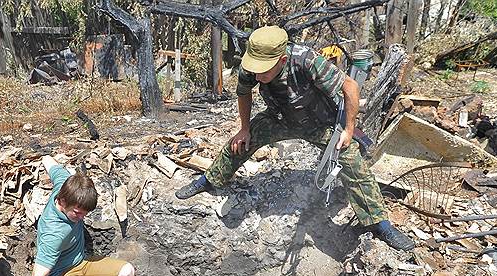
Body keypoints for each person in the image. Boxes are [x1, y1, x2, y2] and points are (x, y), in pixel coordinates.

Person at [174, 26, 414, 251]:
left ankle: (380, 224)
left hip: (321, 123)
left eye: (263, 71)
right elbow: (243, 93)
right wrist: (245, 128)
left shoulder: (306, 60)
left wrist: (348, 130)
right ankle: (210, 179)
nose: (257, 76)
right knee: (239, 143)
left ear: (282, 60)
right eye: (255, 70)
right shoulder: (251, 65)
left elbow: (350, 87)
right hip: (280, 118)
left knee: (351, 162)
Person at [15, 156, 136, 276]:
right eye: (78, 213)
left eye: (85, 214)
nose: (82, 218)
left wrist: (43, 157)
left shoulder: (66, 185)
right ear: (62, 201)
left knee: (127, 272)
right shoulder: (53, 234)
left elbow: (50, 162)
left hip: (82, 263)